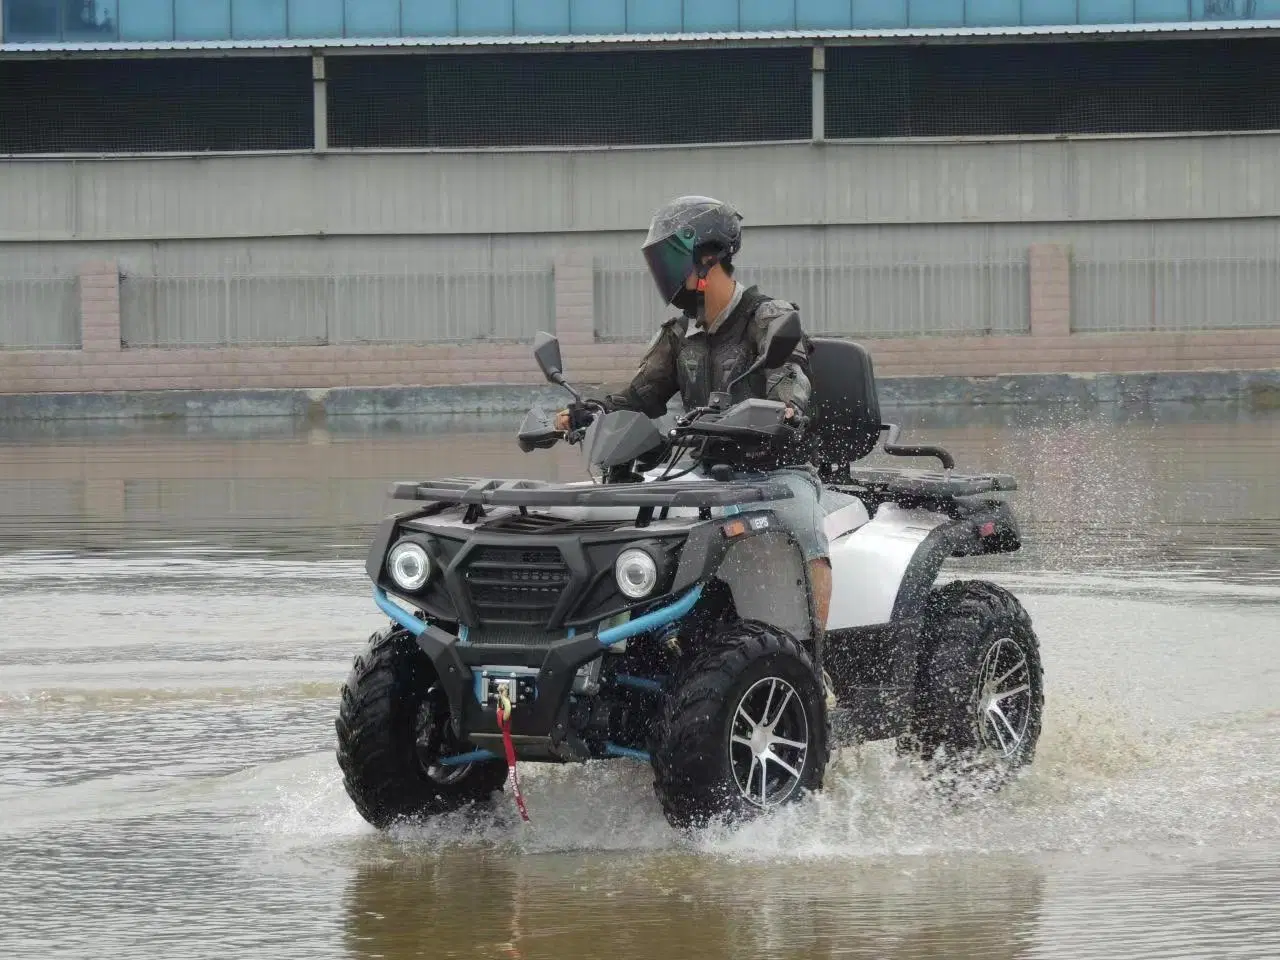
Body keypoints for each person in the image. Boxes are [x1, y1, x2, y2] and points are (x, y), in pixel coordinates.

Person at [553, 195, 831, 635]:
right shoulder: (680, 335)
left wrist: (786, 408)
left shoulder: (769, 318)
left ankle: (813, 661)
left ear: (709, 257)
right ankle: (628, 642)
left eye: (671, 259)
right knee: (630, 515)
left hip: (778, 471)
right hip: (706, 472)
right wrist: (589, 411)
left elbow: (790, 376)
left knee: (803, 526)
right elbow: (640, 397)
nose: (664, 274)